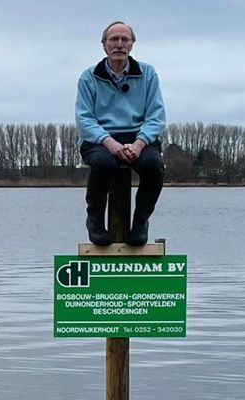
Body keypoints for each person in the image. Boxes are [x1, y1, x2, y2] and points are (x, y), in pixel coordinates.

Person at [75, 21, 165, 246]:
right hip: (99, 138)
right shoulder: (88, 77)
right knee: (104, 165)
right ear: (104, 45)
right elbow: (84, 119)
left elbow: (157, 117)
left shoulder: (148, 74)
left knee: (154, 167)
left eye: (125, 39)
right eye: (113, 39)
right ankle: (95, 221)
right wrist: (110, 144)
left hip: (138, 137)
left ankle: (140, 222)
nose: (119, 44)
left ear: (132, 45)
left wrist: (139, 143)